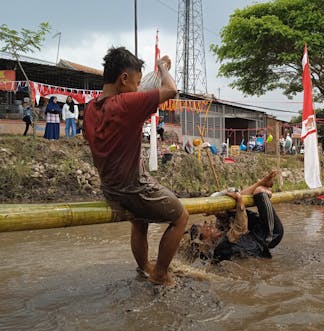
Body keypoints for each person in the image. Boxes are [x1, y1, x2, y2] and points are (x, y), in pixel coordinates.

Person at [84, 47, 188, 286]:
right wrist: (162, 68)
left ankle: (144, 268)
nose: (137, 88)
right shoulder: (125, 103)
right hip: (133, 187)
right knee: (181, 216)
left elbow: (87, 138)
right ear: (123, 79)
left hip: (109, 188)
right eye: (136, 82)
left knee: (140, 221)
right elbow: (170, 89)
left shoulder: (90, 108)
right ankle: (160, 273)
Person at [181, 170, 284, 262]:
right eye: (207, 228)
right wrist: (239, 201)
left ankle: (262, 184)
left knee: (257, 191)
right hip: (268, 236)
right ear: (204, 240)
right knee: (260, 191)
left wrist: (215, 211)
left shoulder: (219, 233)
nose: (210, 225)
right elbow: (240, 228)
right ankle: (262, 186)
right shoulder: (221, 246)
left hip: (259, 238)